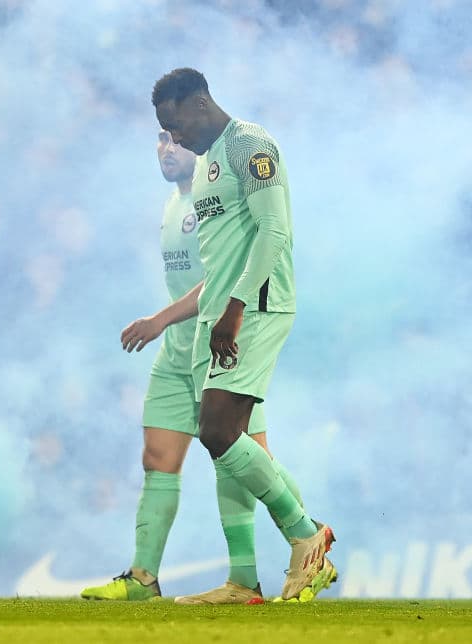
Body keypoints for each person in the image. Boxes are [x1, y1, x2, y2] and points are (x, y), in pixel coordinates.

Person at [80, 130, 308, 605]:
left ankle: (295, 548)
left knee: (241, 455)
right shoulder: (171, 204)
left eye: (176, 139)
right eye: (159, 138)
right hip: (177, 353)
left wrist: (159, 319)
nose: (167, 147)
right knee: (159, 459)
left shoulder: (214, 194)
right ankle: (144, 578)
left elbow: (222, 277)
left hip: (221, 342)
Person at [150, 68, 335, 602]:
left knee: (217, 432)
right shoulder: (207, 163)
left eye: (175, 123)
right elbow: (225, 250)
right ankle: (243, 582)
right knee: (233, 443)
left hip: (254, 308)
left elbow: (275, 230)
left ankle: (307, 536)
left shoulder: (250, 145)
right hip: (223, 312)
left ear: (200, 103)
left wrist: (233, 308)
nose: (174, 137)